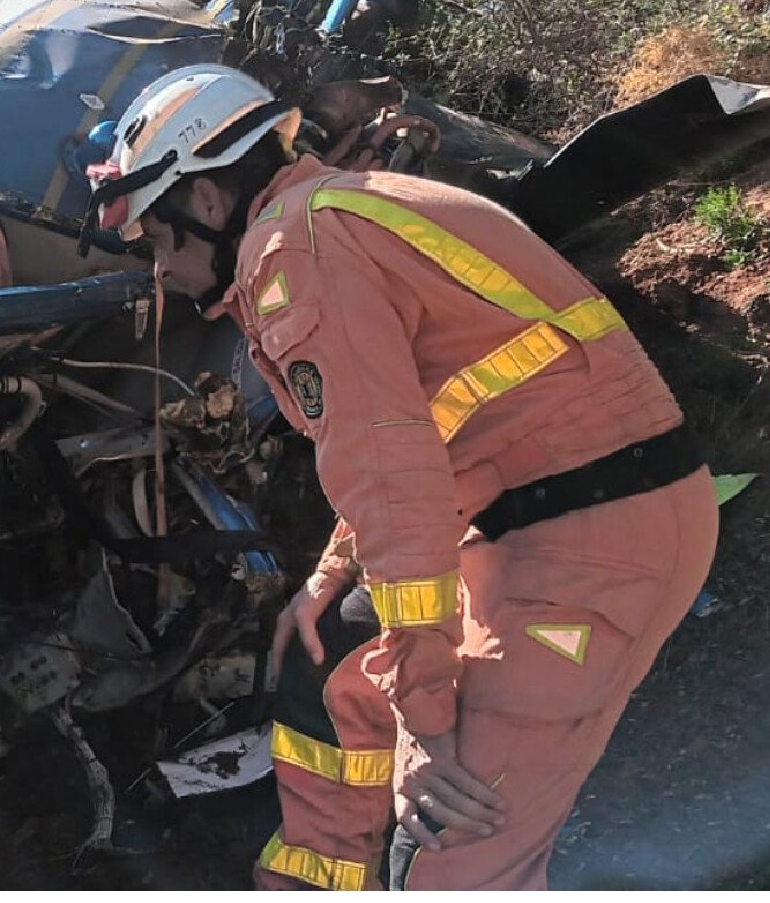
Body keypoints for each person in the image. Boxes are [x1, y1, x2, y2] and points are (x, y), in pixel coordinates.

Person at [82, 65, 717, 890]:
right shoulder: (331, 216)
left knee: (447, 847)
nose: (161, 270)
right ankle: (316, 877)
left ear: (204, 201)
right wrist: (331, 575)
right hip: (548, 517)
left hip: (587, 550)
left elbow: (393, 482)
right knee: (328, 643)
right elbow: (403, 441)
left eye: (160, 240)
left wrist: (429, 723)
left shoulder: (292, 255)